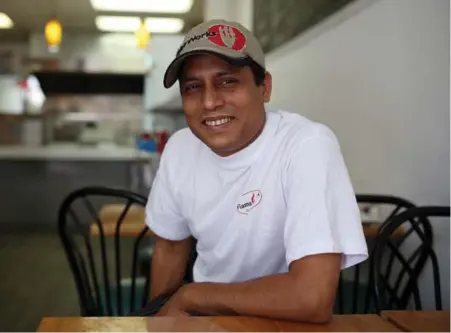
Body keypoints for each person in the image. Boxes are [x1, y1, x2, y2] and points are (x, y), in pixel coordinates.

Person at [145, 19, 368, 323]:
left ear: (265, 87)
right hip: (207, 322)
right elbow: (170, 247)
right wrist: (157, 320)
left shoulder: (306, 145)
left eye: (228, 81)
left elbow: (311, 297)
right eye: (194, 87)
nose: (210, 101)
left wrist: (193, 295)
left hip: (288, 325)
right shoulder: (181, 148)